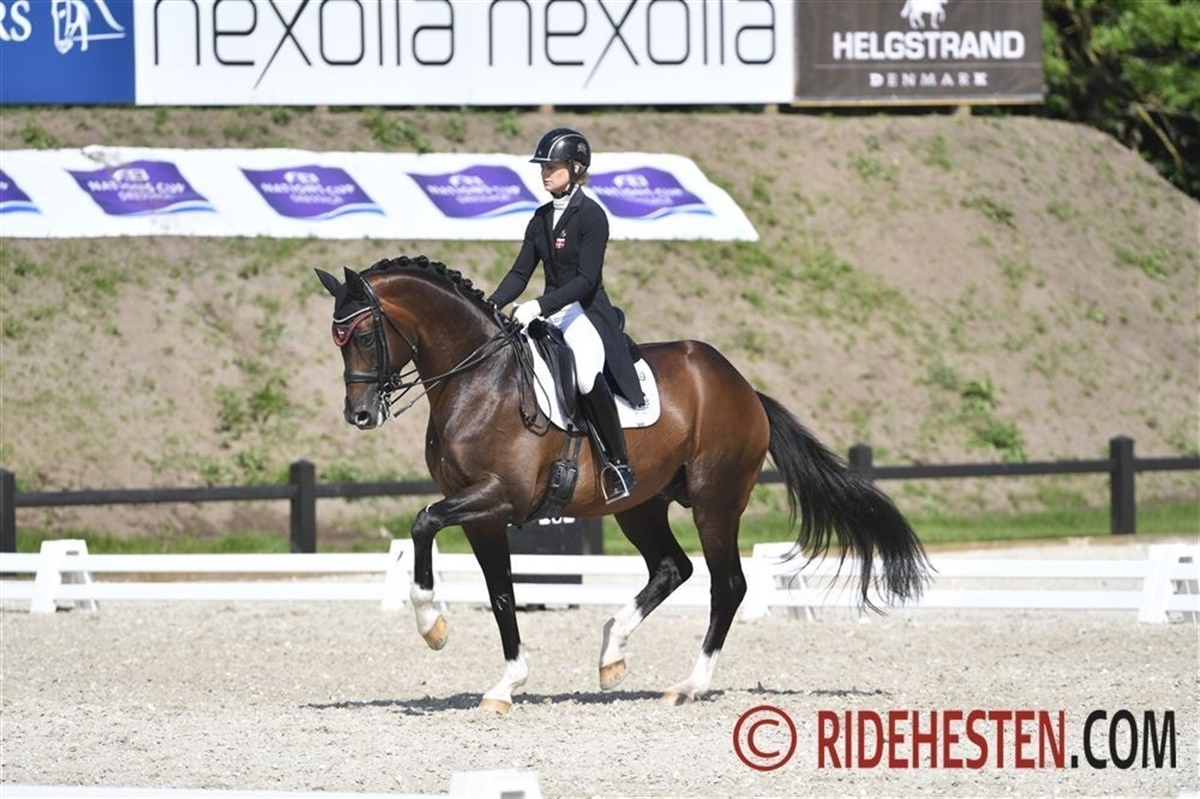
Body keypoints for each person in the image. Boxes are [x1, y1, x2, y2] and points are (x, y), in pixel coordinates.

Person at [488, 127, 645, 503]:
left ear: (575, 168)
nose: (544, 173)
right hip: (551, 311)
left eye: (552, 166)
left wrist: (539, 305)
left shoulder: (592, 216)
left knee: (587, 375)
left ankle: (618, 465)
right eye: (542, 166)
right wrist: (491, 305)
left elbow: (586, 280)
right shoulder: (541, 217)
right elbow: (520, 273)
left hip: (584, 311)